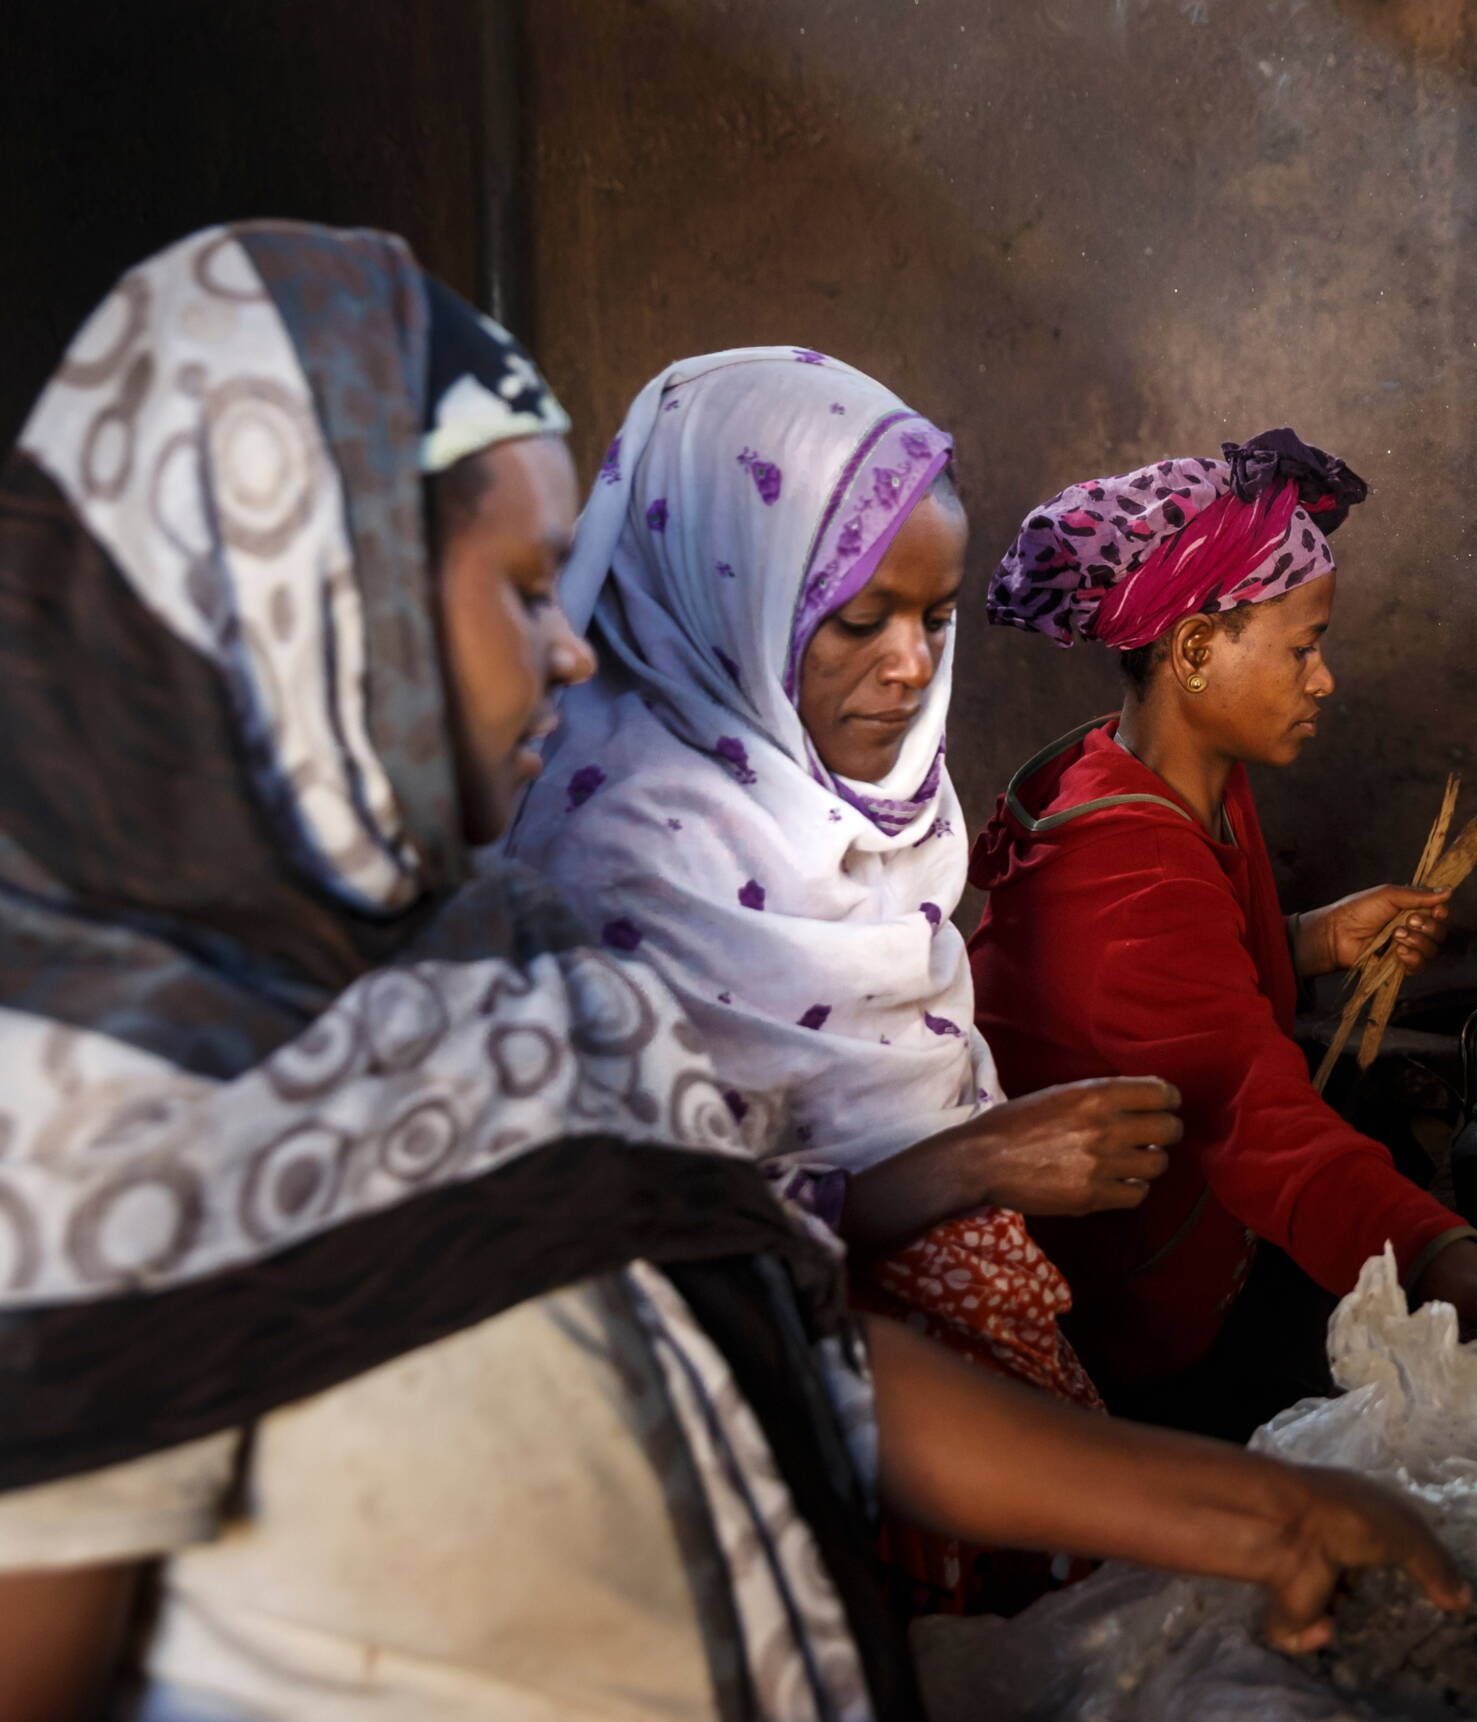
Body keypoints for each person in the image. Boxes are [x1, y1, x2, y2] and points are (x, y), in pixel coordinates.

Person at [0, 231, 1460, 1722]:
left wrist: (1255, 1517)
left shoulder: (506, 960)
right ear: (307, 596)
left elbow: (777, 1321)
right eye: (520, 587)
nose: (576, 650)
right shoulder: (93, 1095)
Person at [509, 349, 1176, 1612]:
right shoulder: (614, 854)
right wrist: (975, 1166)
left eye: (934, 617)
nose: (913, 668)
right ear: (725, 589)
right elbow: (663, 1249)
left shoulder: (869, 811)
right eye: (859, 620)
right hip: (793, 1456)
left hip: (972, 1426)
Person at [968, 430, 1477, 1435]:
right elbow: (1262, 1126)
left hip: (1198, 1245)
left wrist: (1313, 939)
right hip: (1136, 1343)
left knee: (1407, 1194)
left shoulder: (1173, 781)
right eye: (1303, 647)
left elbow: (1181, 996)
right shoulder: (1121, 863)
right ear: (1194, 651)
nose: (1323, 681)